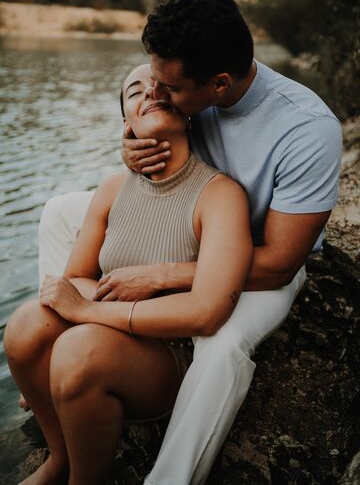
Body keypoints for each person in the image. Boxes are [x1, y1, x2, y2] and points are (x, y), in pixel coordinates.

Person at [13, 0, 342, 485]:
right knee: (61, 210)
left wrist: (162, 275)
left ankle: (170, 475)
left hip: (261, 256)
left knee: (224, 341)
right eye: (152, 83)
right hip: (183, 220)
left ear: (219, 84)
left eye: (168, 88)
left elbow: (278, 261)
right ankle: (55, 356)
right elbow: (153, 125)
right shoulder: (184, 86)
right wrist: (132, 148)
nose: (157, 92)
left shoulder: (306, 129)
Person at [4, 64, 253, 485]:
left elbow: (205, 311)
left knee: (79, 349)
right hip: (109, 332)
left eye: (160, 86)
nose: (150, 92)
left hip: (169, 358)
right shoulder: (113, 188)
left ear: (185, 104)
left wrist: (87, 311)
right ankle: (59, 455)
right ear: (127, 124)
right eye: (135, 91)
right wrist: (84, 304)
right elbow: (77, 276)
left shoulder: (220, 195)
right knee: (25, 325)